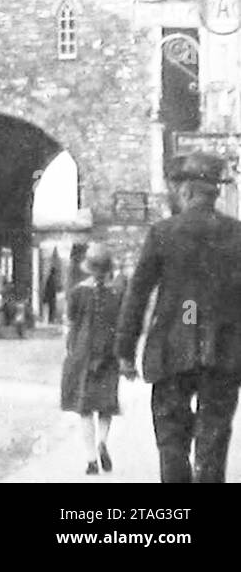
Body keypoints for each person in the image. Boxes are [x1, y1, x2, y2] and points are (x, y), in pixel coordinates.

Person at [116, 151, 241, 483]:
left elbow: (137, 294)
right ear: (215, 192)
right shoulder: (238, 234)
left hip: (171, 349)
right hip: (225, 352)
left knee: (171, 439)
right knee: (213, 438)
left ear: (185, 191)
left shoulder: (163, 232)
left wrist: (125, 351)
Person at [61, 247, 123, 475]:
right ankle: (103, 441)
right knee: (106, 404)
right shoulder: (116, 294)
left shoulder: (78, 292)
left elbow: (69, 322)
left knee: (84, 408)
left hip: (82, 354)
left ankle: (91, 460)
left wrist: (69, 348)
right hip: (108, 353)